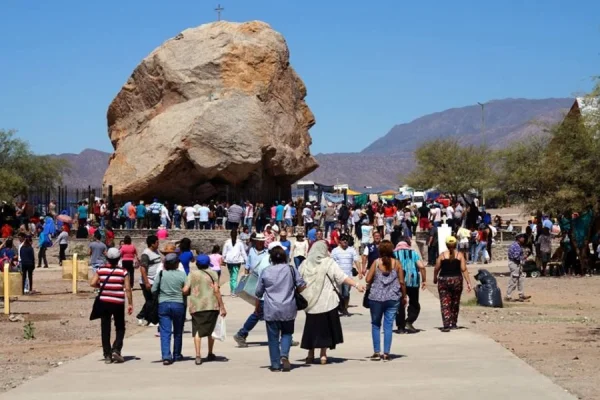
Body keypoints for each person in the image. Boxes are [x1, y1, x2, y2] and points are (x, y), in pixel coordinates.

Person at [299, 241, 364, 364]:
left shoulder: (304, 264)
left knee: (311, 328)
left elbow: (298, 280)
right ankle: (323, 354)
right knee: (326, 329)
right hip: (327, 302)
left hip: (310, 303)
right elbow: (341, 277)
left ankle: (310, 354)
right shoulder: (329, 263)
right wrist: (356, 285)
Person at [255, 245, 306, 372]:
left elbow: (258, 292)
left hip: (271, 309)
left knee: (272, 338)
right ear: (285, 257)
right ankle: (284, 354)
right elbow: (302, 285)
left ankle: (275, 365)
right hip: (288, 307)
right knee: (287, 333)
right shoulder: (291, 269)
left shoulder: (266, 271)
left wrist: (256, 306)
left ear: (271, 258)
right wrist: (295, 290)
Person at [89, 248, 133, 364]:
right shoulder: (123, 271)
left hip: (104, 301)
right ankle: (116, 349)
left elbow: (92, 283)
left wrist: (103, 286)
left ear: (107, 258)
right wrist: (130, 303)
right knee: (120, 326)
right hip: (118, 302)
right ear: (119, 259)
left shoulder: (101, 269)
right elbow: (127, 288)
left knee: (105, 328)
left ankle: (107, 354)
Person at [365, 240, 407, 361]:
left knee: (375, 324)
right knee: (388, 326)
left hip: (376, 297)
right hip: (392, 298)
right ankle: (387, 353)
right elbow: (402, 282)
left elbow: (368, 279)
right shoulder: (397, 263)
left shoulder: (376, 262)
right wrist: (404, 296)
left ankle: (377, 352)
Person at [182, 254, 226, 365]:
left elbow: (186, 290)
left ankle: (198, 355)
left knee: (197, 330)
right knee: (211, 329)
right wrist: (222, 306)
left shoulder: (192, 274)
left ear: (197, 264)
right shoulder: (213, 273)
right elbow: (216, 291)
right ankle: (210, 353)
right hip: (212, 305)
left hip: (196, 306)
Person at [233, 234, 270, 347]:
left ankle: (286, 337)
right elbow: (247, 266)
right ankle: (241, 333)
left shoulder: (267, 252)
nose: (260, 243)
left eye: (262, 241)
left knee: (263, 312)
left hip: (265, 283)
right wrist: (246, 278)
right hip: (256, 282)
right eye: (258, 241)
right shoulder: (251, 252)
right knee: (259, 312)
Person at [152, 251, 187, 365]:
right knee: (178, 331)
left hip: (163, 304)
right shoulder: (182, 275)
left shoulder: (161, 274)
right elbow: (186, 290)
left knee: (165, 331)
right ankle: (177, 354)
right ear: (176, 263)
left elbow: (153, 289)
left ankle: (166, 356)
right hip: (178, 304)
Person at [433, 236, 472, 332]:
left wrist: (435, 278)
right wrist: (469, 282)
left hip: (443, 280)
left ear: (446, 245)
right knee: (455, 302)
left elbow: (436, 268)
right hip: (456, 280)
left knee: (445, 302)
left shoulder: (442, 255)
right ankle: (453, 323)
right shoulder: (460, 255)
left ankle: (446, 324)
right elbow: (464, 269)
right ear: (455, 245)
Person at [393, 239, 426, 333]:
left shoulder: (394, 254)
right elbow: (422, 267)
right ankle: (409, 320)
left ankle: (400, 327)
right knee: (414, 303)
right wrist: (424, 280)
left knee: (399, 304)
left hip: (398, 281)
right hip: (413, 281)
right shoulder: (413, 253)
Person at [331, 234, 361, 315]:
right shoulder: (335, 251)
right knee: (337, 293)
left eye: (346, 240)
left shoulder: (351, 250)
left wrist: (360, 272)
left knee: (346, 293)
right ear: (339, 241)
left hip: (348, 276)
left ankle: (345, 308)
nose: (345, 241)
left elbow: (356, 261)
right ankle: (337, 309)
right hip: (337, 276)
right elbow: (331, 263)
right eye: (343, 239)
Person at [137, 235, 163, 325]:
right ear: (152, 244)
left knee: (152, 300)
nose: (158, 243)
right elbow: (143, 268)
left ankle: (143, 316)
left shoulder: (156, 251)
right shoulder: (146, 254)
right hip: (148, 281)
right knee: (151, 300)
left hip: (155, 280)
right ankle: (149, 319)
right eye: (157, 242)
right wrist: (146, 282)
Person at [506, 234, 532, 302]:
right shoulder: (516, 246)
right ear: (519, 238)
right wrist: (524, 257)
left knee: (521, 279)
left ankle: (521, 294)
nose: (523, 239)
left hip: (516, 264)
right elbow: (516, 257)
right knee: (513, 280)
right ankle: (508, 295)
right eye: (522, 238)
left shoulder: (516, 245)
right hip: (515, 264)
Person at [222, 229, 248, 296]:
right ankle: (233, 291)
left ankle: (232, 290)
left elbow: (224, 252)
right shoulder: (240, 243)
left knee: (232, 276)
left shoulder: (227, 242)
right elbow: (243, 252)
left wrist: (223, 259)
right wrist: (247, 261)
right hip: (237, 262)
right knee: (234, 276)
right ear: (237, 235)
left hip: (229, 261)